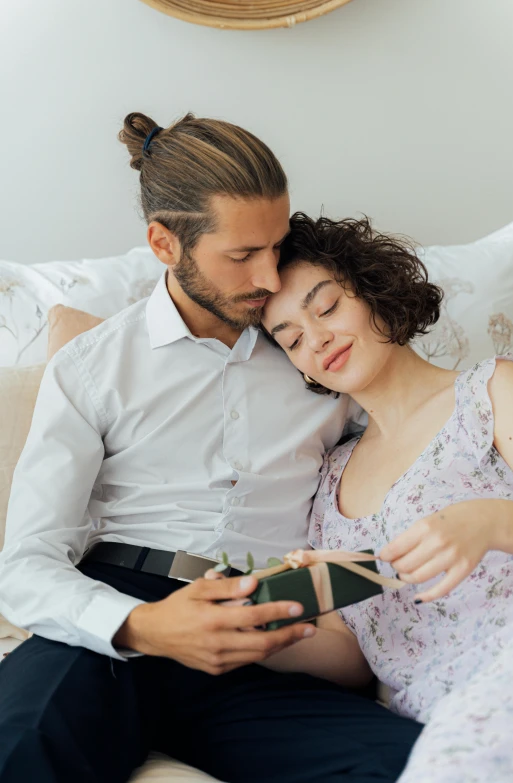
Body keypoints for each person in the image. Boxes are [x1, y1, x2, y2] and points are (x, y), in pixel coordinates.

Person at [0, 113, 422, 783]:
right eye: (241, 255)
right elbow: (24, 563)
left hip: (264, 633)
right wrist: (142, 625)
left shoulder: (319, 345)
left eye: (278, 245)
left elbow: (410, 446)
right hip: (116, 618)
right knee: (16, 749)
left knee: (419, 766)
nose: (269, 274)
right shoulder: (90, 368)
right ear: (165, 244)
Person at [261, 212, 513, 783]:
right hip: (437, 712)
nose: (318, 338)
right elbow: (353, 660)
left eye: (326, 308)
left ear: (373, 286)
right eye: (293, 339)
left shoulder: (489, 392)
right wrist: (266, 630)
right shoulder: (328, 483)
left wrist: (493, 522)